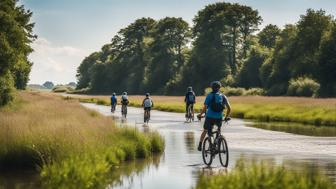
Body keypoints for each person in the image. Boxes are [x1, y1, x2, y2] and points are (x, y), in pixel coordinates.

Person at [197, 81, 231, 151]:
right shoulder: (223, 96)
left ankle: (200, 145)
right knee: (219, 129)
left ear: (212, 88)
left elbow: (205, 108)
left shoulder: (209, 95)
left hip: (209, 117)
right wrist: (226, 117)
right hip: (219, 117)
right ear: (219, 88)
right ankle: (216, 144)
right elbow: (229, 108)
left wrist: (200, 115)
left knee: (206, 130)